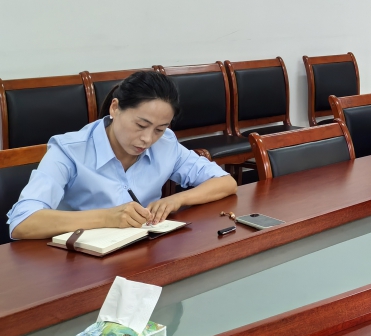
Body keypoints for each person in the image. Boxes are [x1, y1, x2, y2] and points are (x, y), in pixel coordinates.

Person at [7, 70, 237, 240]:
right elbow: (22, 222)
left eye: (159, 129)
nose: (148, 139)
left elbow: (225, 182)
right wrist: (107, 218)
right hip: (77, 264)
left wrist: (176, 200)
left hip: (140, 254)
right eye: (141, 125)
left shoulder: (166, 143)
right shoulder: (69, 150)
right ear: (115, 108)